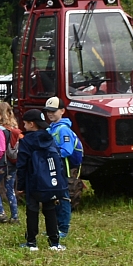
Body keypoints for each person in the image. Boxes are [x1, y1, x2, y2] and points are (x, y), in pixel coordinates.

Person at [14, 109, 68, 251]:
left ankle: (31, 243)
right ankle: (54, 242)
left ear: (31, 124)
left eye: (25, 123)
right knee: (50, 209)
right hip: (50, 181)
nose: (24, 126)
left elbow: (21, 165)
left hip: (33, 182)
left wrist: (20, 186)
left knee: (32, 210)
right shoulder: (49, 138)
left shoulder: (26, 141)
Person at [43, 97, 84, 242]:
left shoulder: (63, 129)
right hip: (55, 168)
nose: (50, 114)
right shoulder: (51, 128)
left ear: (62, 111)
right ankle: (55, 227)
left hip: (64, 170)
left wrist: (49, 153)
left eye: (53, 111)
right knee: (54, 198)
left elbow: (67, 150)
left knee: (63, 198)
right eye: (48, 111)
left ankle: (63, 228)